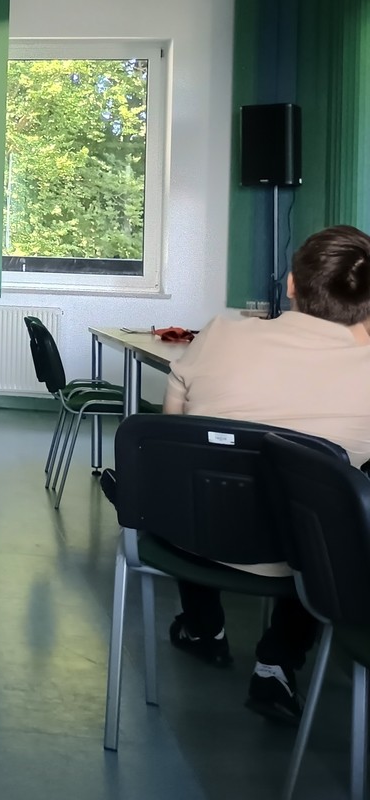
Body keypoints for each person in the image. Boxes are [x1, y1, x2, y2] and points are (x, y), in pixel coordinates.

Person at [161, 224, 370, 725]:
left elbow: (173, 440)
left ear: (292, 284)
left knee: (195, 478)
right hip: (306, 563)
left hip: (200, 536)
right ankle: (276, 662)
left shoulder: (220, 334)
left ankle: (204, 627)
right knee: (323, 507)